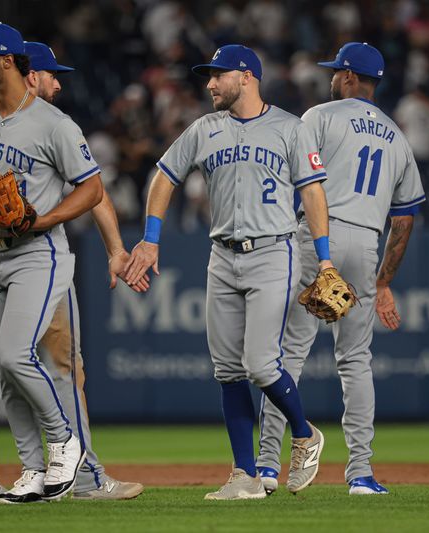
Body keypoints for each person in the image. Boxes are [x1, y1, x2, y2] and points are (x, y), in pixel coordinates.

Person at [125, 44, 332, 500]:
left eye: (218, 75)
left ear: (246, 76)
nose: (210, 83)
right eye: (209, 76)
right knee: (227, 371)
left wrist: (326, 258)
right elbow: (164, 176)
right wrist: (151, 237)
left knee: (260, 364)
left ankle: (304, 434)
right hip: (221, 256)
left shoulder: (290, 128)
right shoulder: (204, 129)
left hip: (273, 253)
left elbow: (313, 194)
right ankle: (245, 476)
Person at [0, 39, 145, 503]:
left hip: (39, 253)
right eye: (53, 74)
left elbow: (92, 190)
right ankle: (45, 471)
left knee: (27, 362)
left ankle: (74, 465)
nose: (58, 83)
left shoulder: (54, 125)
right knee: (19, 365)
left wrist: (114, 248)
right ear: (31, 73)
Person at [256, 43, 424, 496]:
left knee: (288, 353)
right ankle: (362, 475)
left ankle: (268, 465)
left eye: (336, 72)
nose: (332, 77)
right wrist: (383, 280)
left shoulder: (320, 116)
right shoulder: (397, 135)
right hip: (367, 243)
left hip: (319, 238)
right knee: (356, 361)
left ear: (349, 77)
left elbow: (295, 184)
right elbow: (404, 220)